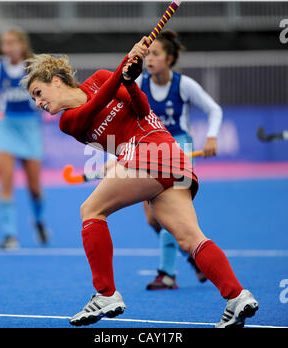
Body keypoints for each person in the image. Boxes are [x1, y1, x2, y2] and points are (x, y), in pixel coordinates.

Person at [23, 36, 258, 328]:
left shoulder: (99, 78)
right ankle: (237, 295)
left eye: (38, 92)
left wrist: (131, 82)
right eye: (33, 99)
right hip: (165, 159)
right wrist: (124, 70)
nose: (38, 102)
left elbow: (144, 109)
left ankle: (105, 293)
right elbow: (95, 106)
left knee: (91, 210)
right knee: (189, 239)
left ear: (56, 81)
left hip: (156, 150)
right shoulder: (68, 121)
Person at [135, 30, 223, 290]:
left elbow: (214, 109)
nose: (149, 59)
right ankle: (193, 255)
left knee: (168, 213)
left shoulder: (184, 85)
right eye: (147, 54)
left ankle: (167, 274)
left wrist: (212, 138)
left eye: (156, 54)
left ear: (170, 59)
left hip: (180, 149)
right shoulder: (139, 82)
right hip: (150, 150)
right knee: (153, 219)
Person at [0, 29, 49, 249]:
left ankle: (39, 221)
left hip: (30, 128)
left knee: (34, 188)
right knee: (6, 182)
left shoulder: (34, 68)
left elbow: (46, 99)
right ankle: (9, 235)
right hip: (5, 127)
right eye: (5, 43)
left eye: (12, 43)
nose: (8, 48)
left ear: (22, 44)